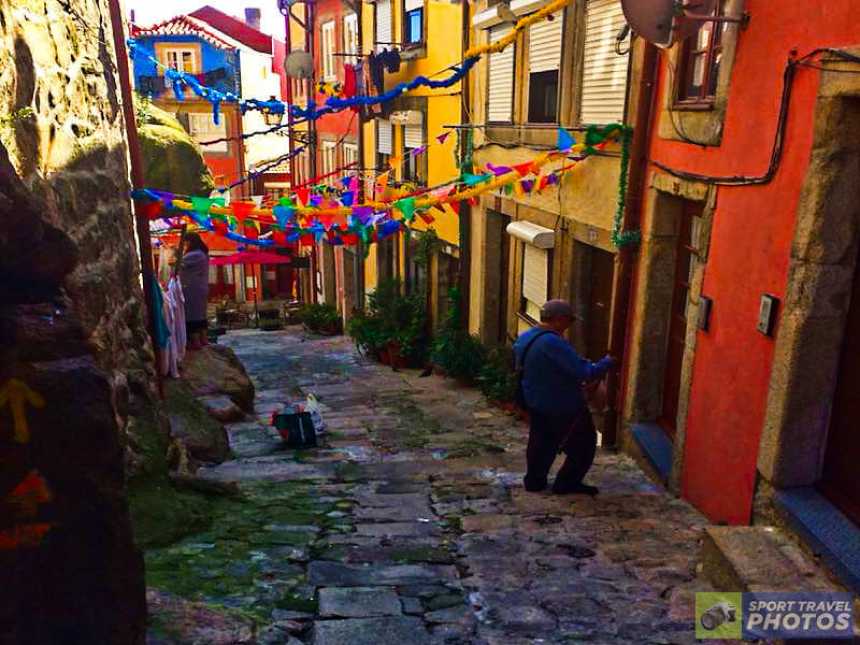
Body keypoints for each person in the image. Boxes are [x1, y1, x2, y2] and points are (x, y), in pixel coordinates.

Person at [513, 299, 614, 495]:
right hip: (561, 404)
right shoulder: (552, 342)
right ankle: (567, 483)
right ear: (559, 319)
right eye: (569, 321)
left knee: (540, 443)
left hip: (534, 400)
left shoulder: (526, 337)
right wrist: (607, 362)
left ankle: (534, 481)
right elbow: (585, 372)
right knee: (584, 445)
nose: (569, 326)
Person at [179, 233, 210, 350]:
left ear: (190, 242)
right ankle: (204, 339)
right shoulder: (202, 254)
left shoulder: (194, 255)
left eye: (186, 242)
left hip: (191, 289)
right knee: (200, 315)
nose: (185, 245)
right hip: (200, 288)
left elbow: (177, 263)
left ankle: (196, 342)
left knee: (191, 316)